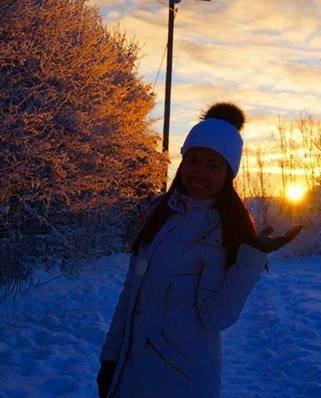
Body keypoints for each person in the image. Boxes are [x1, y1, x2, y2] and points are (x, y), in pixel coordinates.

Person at [96, 103, 302, 398]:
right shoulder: (158, 213)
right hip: (129, 373)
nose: (199, 173)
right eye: (193, 160)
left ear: (228, 173)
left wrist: (252, 259)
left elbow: (216, 318)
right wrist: (110, 358)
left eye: (213, 165)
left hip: (179, 381)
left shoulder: (221, 230)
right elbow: (130, 294)